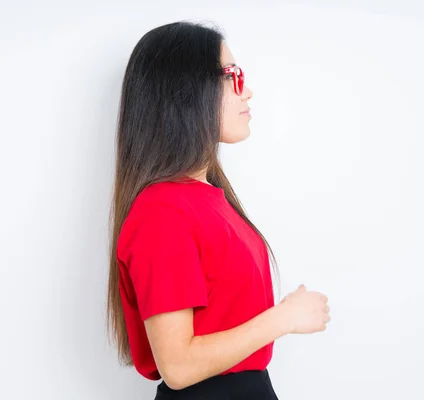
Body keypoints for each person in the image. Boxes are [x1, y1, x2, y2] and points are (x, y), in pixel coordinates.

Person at [106, 20, 331, 399]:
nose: (247, 91)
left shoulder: (207, 198)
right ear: (186, 92)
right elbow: (178, 366)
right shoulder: (163, 211)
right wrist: (284, 318)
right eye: (232, 75)